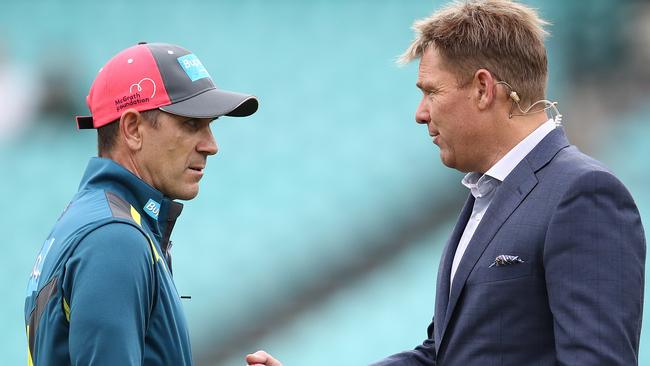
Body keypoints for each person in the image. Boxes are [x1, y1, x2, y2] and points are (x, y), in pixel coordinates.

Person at [246, 1, 645, 365]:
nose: (420, 114)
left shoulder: (583, 193)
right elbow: (441, 356)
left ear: (484, 89)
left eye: (431, 92)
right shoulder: (488, 195)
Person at [24, 42, 258, 365]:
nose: (211, 145)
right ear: (133, 129)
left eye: (210, 125)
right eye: (192, 124)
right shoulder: (114, 239)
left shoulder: (98, 222)